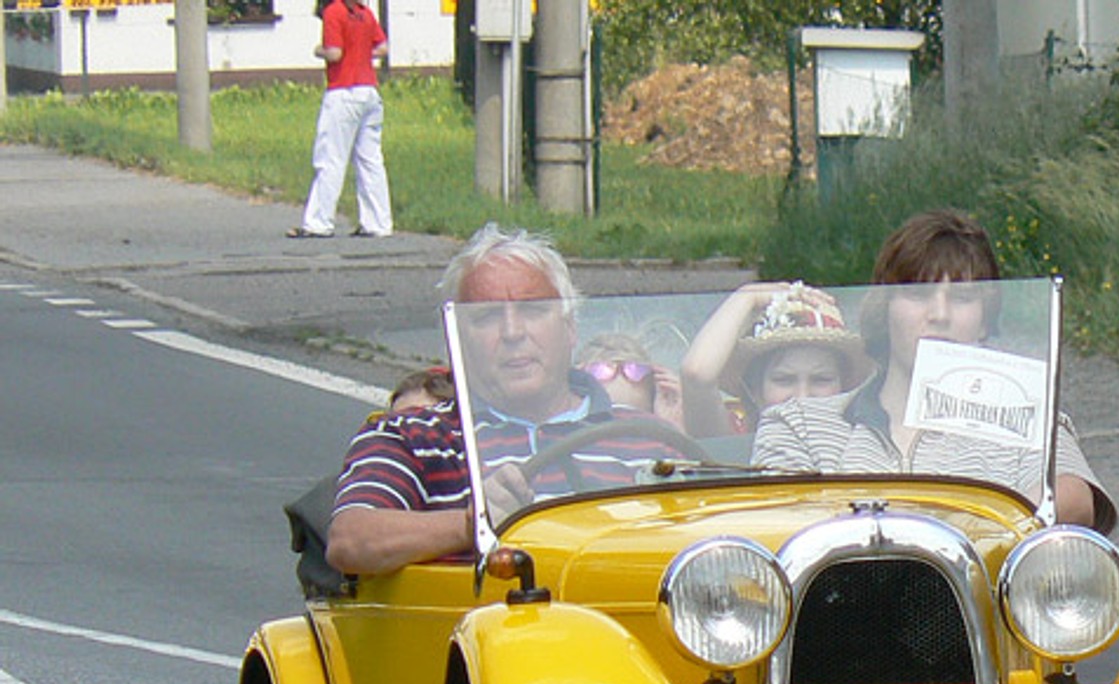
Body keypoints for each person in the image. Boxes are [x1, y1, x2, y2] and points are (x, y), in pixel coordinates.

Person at [327, 225, 674, 575]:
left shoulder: (649, 436)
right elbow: (351, 540)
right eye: (488, 317)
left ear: (569, 328)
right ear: (458, 341)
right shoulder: (413, 437)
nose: (513, 333)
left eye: (534, 311)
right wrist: (472, 523)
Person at [751, 210, 1116, 534]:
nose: (939, 314)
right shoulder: (799, 423)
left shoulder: (1028, 419)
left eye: (962, 298)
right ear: (886, 308)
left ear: (985, 320)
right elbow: (774, 527)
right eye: (918, 294)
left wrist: (972, 535)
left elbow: (1074, 499)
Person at [679, 282, 871, 439]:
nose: (802, 397)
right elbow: (697, 375)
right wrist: (746, 297)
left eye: (821, 379)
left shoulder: (865, 442)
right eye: (783, 379)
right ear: (754, 389)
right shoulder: (733, 439)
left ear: (844, 387)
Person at [288, 0, 393, 240]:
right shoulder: (365, 13)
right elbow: (382, 47)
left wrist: (318, 51)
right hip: (369, 91)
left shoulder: (334, 12)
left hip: (343, 92)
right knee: (371, 160)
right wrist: (362, 52)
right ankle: (378, 222)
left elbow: (334, 53)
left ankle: (319, 222)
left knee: (330, 158)